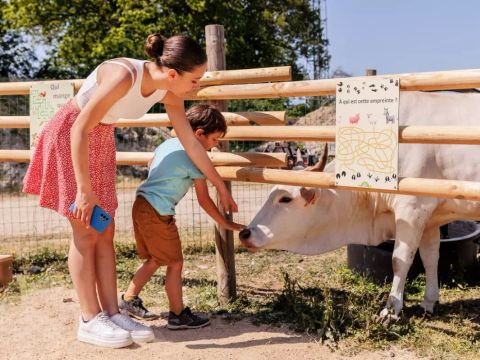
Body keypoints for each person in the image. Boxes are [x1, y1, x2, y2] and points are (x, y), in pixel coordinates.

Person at [22, 33, 238, 348]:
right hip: (73, 136)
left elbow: (191, 143)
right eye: (196, 79)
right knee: (85, 229)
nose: (198, 86)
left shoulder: (169, 91)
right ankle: (89, 318)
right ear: (174, 73)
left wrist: (219, 184)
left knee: (104, 228)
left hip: (99, 139)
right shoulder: (125, 76)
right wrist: (83, 189)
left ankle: (112, 312)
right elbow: (79, 127)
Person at [119, 104, 244, 329]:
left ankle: (129, 299)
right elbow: (204, 200)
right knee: (175, 263)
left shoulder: (167, 144)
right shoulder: (194, 156)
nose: (215, 145)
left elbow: (151, 163)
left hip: (141, 204)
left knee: (156, 259)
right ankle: (177, 314)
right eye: (214, 139)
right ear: (199, 134)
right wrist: (224, 222)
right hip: (157, 211)